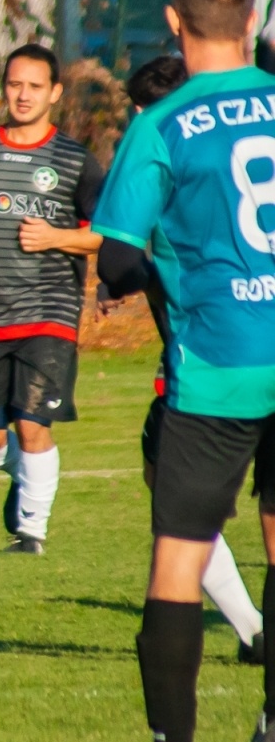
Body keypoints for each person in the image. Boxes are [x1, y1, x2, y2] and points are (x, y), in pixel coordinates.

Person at [95, 0, 275, 742]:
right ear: (251, 22)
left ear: (174, 21)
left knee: (177, 562)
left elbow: (117, 264)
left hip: (216, 371)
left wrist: (165, 260)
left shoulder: (160, 126)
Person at [0, 44, 105, 554]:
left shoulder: (74, 160)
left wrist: (56, 237)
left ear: (54, 93)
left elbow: (110, 233)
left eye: (34, 86)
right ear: (3, 88)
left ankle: (31, 531)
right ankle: (24, 477)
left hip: (48, 313)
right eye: (14, 84)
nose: (23, 95)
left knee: (32, 423)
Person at [121, 54, 264, 667]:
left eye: (140, 110)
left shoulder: (172, 147)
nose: (136, 119)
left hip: (212, 362)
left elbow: (120, 252)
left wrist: (126, 275)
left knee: (175, 515)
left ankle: (252, 631)